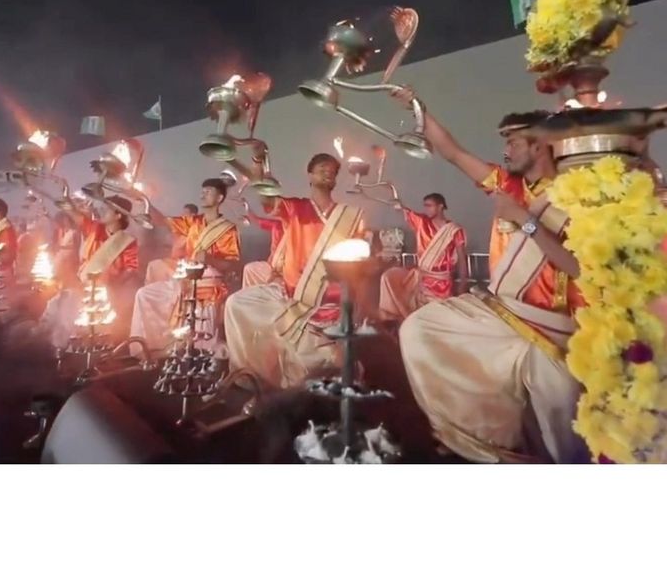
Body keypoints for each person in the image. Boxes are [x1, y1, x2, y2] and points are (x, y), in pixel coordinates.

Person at [390, 86, 585, 463]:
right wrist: (418, 106)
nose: (505, 150)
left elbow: (578, 267)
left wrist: (525, 222)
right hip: (500, 309)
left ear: (540, 145)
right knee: (418, 329)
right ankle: (476, 445)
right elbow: (453, 152)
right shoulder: (507, 184)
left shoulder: (576, 194)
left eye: (512, 142)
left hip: (554, 323)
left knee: (561, 415)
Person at [223, 153, 371, 389]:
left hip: (330, 303)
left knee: (324, 369)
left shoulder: (350, 216)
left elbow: (359, 268)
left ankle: (325, 352)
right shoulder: (294, 207)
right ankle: (251, 377)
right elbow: (264, 191)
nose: (329, 171)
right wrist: (257, 161)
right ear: (310, 175)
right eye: (322, 167)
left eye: (333, 169)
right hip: (294, 295)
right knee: (236, 303)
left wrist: (356, 313)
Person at [129, 179, 241, 351]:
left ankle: (201, 354)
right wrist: (144, 201)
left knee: (200, 344)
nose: (203, 195)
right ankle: (151, 350)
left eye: (208, 192)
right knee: (144, 294)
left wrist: (209, 259)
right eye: (202, 191)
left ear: (219, 198)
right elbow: (163, 221)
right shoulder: (193, 222)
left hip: (209, 282)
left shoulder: (228, 229)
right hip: (185, 279)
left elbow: (231, 264)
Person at [38, 198, 140, 348]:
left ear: (118, 215)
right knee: (57, 304)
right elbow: (77, 217)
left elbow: (131, 269)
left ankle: (73, 347)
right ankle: (51, 344)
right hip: (82, 284)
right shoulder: (95, 228)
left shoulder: (127, 241)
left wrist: (112, 286)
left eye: (108, 209)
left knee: (73, 308)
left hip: (106, 290)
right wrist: (68, 204)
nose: (103, 211)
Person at [378, 192, 467, 324]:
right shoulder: (422, 222)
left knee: (439, 319)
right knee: (389, 278)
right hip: (422, 280)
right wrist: (398, 204)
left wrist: (463, 282)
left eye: (430, 205)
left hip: (443, 282)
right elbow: (406, 210)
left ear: (440, 206)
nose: (426, 209)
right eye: (425, 206)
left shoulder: (454, 230)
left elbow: (461, 258)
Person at [240, 198, 287, 288]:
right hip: (271, 266)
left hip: (286, 272)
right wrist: (248, 210)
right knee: (249, 268)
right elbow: (258, 221)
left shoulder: (297, 229)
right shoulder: (277, 225)